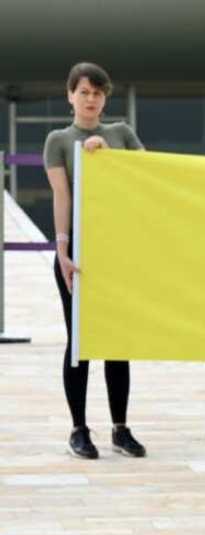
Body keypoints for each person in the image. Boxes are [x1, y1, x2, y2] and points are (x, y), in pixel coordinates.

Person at [43, 61, 147, 460]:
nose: (91, 99)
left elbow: (145, 175)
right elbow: (62, 196)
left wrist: (106, 159)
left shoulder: (120, 133)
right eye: (83, 92)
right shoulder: (58, 139)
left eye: (98, 93)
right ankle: (79, 429)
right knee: (80, 343)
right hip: (79, 256)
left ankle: (120, 428)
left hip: (117, 251)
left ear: (106, 98)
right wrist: (63, 250)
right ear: (70, 95)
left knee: (117, 341)